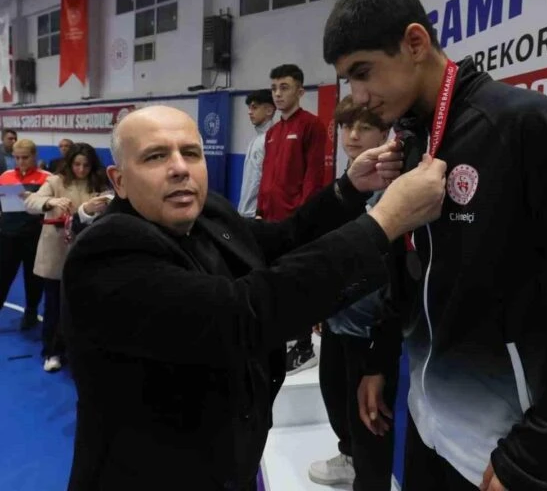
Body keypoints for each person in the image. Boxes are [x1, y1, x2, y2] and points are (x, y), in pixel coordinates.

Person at [61, 105, 446, 491]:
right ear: (119, 180)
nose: (179, 168)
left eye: (190, 153)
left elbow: (284, 240)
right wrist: (384, 224)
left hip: (227, 465)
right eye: (156, 156)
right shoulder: (106, 254)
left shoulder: (207, 212)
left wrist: (349, 189)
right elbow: (242, 314)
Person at [323, 0, 547, 491]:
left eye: (364, 72)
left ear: (415, 43)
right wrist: (380, 360)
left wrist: (544, 451)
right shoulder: (412, 144)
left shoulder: (523, 125)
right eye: (348, 80)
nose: (358, 96)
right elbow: (407, 269)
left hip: (507, 450)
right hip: (428, 427)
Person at [309, 95, 397, 491]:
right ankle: (349, 459)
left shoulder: (394, 187)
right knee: (337, 401)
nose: (354, 135)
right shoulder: (348, 183)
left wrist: (381, 341)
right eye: (347, 126)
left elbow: (394, 271)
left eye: (364, 127)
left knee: (371, 420)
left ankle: (370, 480)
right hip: (337, 319)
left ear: (385, 132)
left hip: (370, 328)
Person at [257, 63, 326, 374]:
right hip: (270, 221)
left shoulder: (311, 126)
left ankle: (303, 346)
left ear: (300, 91)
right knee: (276, 281)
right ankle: (286, 337)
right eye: (274, 88)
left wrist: (305, 218)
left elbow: (313, 176)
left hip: (295, 222)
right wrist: (260, 210)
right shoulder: (272, 133)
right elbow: (266, 179)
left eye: (284, 87)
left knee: (297, 282)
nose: (277, 93)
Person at [24, 143, 112, 372]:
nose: (81, 169)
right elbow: (30, 202)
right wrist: (49, 202)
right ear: (69, 163)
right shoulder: (55, 181)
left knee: (82, 306)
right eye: (77, 164)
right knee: (53, 306)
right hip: (56, 253)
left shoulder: (99, 184)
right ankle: (51, 352)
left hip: (86, 254)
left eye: (86, 165)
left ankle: (78, 351)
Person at [0, 139, 49, 329]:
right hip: (7, 236)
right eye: (17, 158)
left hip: (34, 237)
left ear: (34, 156)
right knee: (3, 275)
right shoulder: (5, 176)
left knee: (33, 277)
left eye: (25, 158)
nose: (21, 162)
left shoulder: (47, 178)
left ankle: (30, 312)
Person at [238, 89, 275, 218]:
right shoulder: (256, 140)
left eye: (254, 107)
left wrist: (260, 212)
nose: (249, 112)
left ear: (269, 110)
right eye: (249, 108)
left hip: (258, 215)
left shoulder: (273, 140)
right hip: (245, 212)